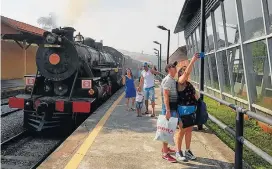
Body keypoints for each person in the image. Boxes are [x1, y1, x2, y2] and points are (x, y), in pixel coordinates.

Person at [175, 53, 199, 162]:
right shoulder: (180, 82)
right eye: (182, 71)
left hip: (191, 110)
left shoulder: (188, 84)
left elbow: (196, 95)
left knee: (189, 131)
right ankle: (178, 152)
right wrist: (193, 61)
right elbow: (187, 72)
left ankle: (187, 151)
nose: (185, 72)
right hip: (183, 111)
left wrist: (195, 96)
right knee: (182, 131)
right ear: (179, 74)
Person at [160, 61, 179, 163]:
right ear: (168, 70)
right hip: (169, 109)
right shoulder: (168, 80)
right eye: (173, 67)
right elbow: (166, 96)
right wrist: (167, 110)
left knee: (169, 130)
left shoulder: (171, 79)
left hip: (172, 108)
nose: (175, 68)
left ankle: (165, 149)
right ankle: (165, 154)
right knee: (166, 131)